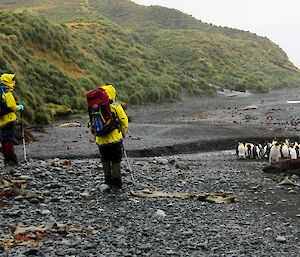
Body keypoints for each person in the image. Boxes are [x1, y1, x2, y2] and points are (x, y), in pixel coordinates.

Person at [96, 85, 128, 188]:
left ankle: (107, 180)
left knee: (105, 158)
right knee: (116, 158)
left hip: (101, 140)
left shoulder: (95, 106)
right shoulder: (115, 105)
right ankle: (117, 181)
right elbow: (123, 119)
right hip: (115, 139)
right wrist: (123, 131)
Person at [0, 73, 24, 166]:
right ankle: (12, 160)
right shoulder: (7, 92)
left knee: (3, 140)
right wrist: (19, 107)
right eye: (13, 80)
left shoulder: (0, 91)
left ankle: (6, 159)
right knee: (9, 139)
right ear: (8, 81)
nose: (14, 82)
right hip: (9, 119)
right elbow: (12, 106)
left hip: (1, 121)